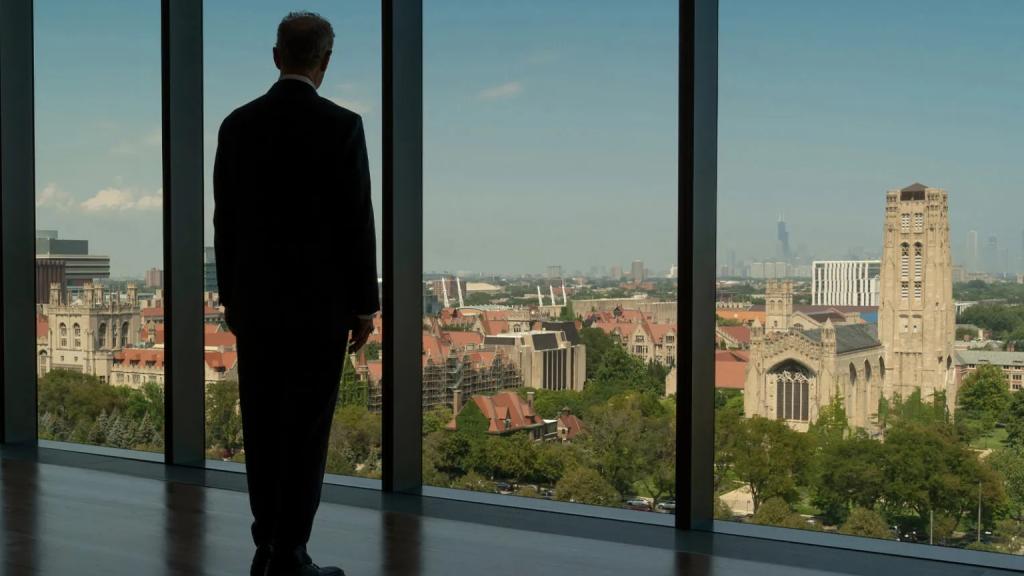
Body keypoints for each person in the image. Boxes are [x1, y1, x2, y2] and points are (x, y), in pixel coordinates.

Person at [213, 11, 378, 576]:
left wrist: (232, 299)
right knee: (307, 434)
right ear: (324, 62)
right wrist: (363, 306)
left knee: (261, 428)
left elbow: (225, 225)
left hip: (256, 309)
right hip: (319, 311)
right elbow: (358, 220)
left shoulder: (237, 125)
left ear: (276, 55)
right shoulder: (343, 126)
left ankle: (264, 547)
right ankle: (291, 553)